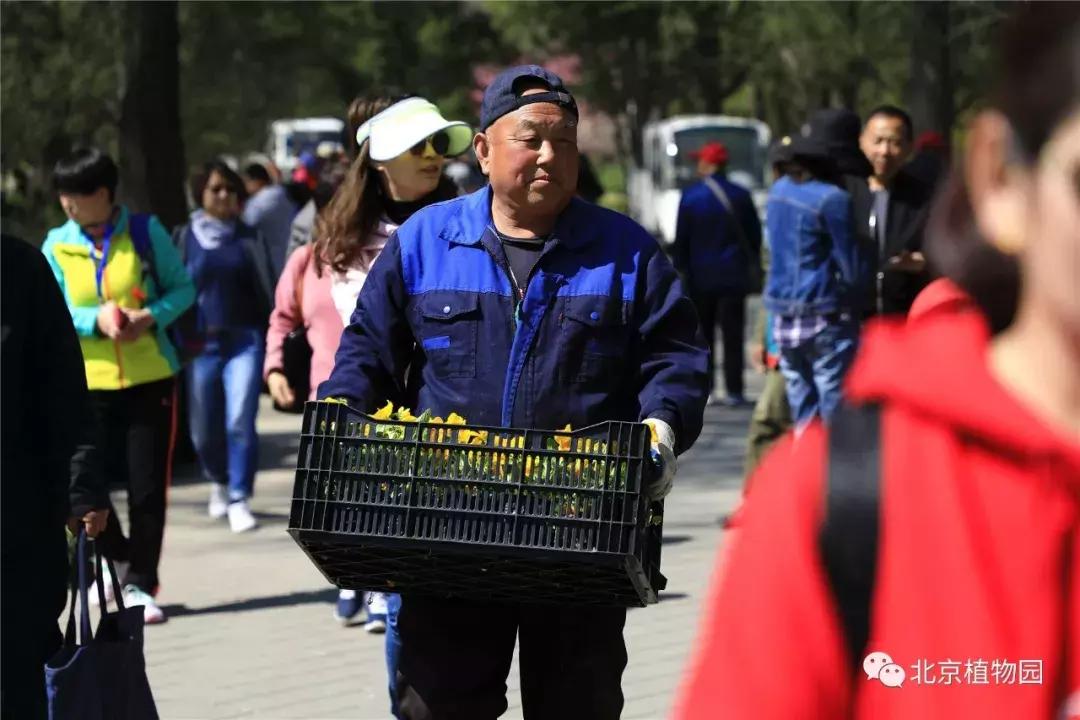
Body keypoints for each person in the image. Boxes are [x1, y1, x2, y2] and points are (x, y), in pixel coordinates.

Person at [675, 5, 1080, 718]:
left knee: (809, 407)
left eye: (895, 140)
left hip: (791, 316)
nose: (887, 152)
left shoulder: (781, 197)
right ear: (1002, 182)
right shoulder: (845, 500)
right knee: (825, 411)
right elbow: (847, 263)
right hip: (834, 324)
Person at [319, 64, 709, 720]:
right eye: (530, 139)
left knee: (576, 704)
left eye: (563, 140)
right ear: (482, 149)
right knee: (438, 704)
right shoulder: (425, 242)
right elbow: (366, 353)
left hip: (582, 529)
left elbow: (674, 357)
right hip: (447, 525)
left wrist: (663, 427)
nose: (548, 155)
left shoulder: (627, 252)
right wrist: (340, 413)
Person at [264, 95, 466, 646]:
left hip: (442, 429)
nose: (432, 156)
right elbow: (290, 310)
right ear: (379, 159)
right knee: (399, 609)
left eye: (439, 145)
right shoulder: (331, 239)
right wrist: (278, 365)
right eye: (417, 145)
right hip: (357, 424)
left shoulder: (473, 228)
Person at [39, 147, 196, 625]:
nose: (67, 202)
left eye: (76, 193)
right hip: (87, 384)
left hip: (152, 380)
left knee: (148, 490)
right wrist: (96, 321)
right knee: (89, 489)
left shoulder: (146, 234)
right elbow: (55, 307)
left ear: (103, 194)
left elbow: (182, 289)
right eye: (62, 193)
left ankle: (139, 584)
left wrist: (149, 317)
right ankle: (116, 564)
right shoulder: (54, 245)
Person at [1, 233, 109, 718]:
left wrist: (82, 489)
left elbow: (63, 393)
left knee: (21, 679)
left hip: (17, 527)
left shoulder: (20, 270)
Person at [178, 160, 275, 533]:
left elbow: (268, 285)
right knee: (203, 429)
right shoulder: (185, 237)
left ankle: (239, 496)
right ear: (200, 193)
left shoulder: (249, 238)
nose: (223, 196)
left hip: (244, 340)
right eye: (215, 189)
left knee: (238, 419)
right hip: (201, 343)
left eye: (230, 190)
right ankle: (218, 480)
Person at [764, 115, 865, 430]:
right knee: (835, 404)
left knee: (802, 407)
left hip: (783, 316)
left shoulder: (778, 190)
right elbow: (849, 265)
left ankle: (805, 471)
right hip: (823, 312)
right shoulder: (833, 199)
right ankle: (832, 476)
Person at [672, 141, 763, 406]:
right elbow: (754, 237)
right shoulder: (741, 195)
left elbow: (682, 241)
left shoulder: (690, 196)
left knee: (704, 337)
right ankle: (735, 390)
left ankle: (707, 390)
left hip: (701, 277)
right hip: (734, 276)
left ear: (709, 163)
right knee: (734, 335)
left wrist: (681, 271)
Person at [852, 105, 935, 316]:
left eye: (895, 143)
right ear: (861, 142)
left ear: (909, 148)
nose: (885, 151)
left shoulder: (923, 198)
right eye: (878, 141)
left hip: (904, 318)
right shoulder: (843, 193)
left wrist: (923, 262)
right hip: (850, 323)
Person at [241, 161, 298, 279]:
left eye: (246, 183)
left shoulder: (266, 198)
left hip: (276, 263)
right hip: (286, 258)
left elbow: (245, 221)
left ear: (255, 181)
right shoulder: (279, 194)